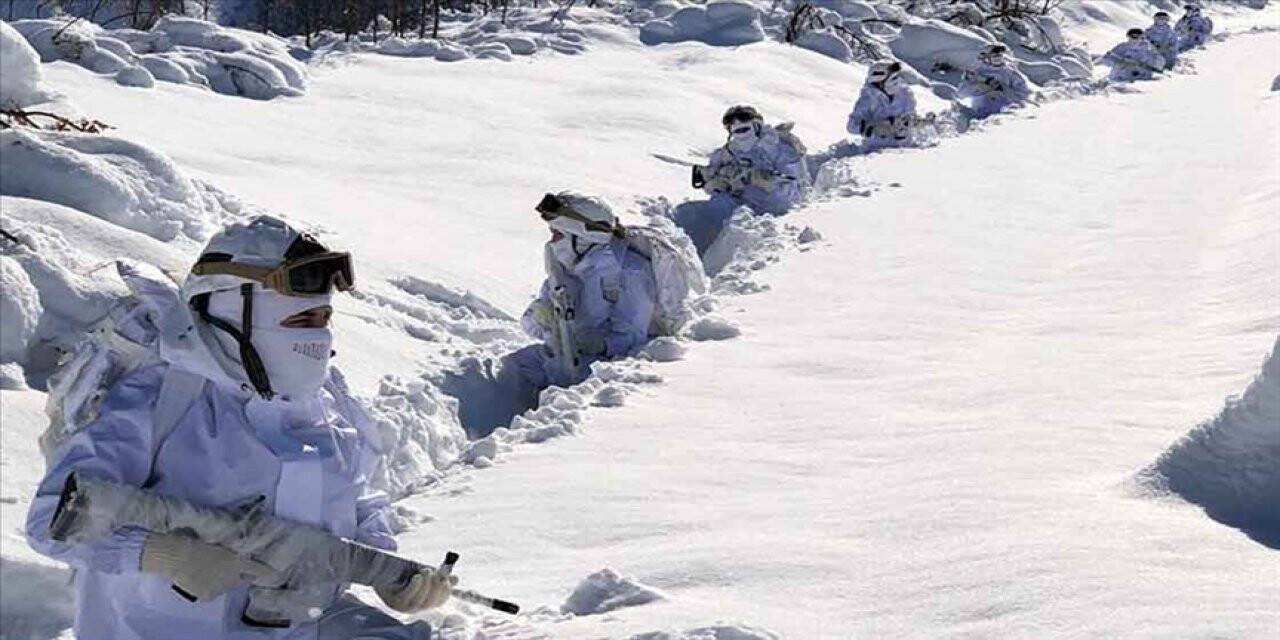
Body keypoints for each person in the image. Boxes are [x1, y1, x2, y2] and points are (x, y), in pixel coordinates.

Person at [25, 215, 451, 640]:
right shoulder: (158, 396)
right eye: (301, 322)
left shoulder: (327, 398)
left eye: (323, 318)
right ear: (233, 311)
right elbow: (50, 520)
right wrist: (161, 554)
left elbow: (359, 498)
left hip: (305, 625)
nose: (318, 337)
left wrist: (385, 570)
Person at [517, 192, 656, 388]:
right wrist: (539, 316)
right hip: (562, 364)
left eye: (558, 234)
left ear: (583, 237)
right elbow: (538, 329)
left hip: (606, 374)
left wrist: (600, 344)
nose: (553, 242)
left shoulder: (631, 272)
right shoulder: (564, 271)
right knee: (513, 370)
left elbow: (634, 337)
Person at [673, 105, 809, 254]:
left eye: (745, 129)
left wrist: (766, 182)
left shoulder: (780, 150)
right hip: (738, 208)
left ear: (756, 126)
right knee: (709, 207)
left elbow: (796, 191)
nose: (741, 135)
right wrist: (717, 183)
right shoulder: (727, 153)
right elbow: (710, 179)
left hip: (773, 214)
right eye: (736, 131)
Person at [847, 60, 918, 149]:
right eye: (893, 78)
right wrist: (876, 128)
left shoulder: (905, 93)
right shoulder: (868, 98)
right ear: (880, 79)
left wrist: (915, 123)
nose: (896, 81)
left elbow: (911, 116)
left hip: (905, 150)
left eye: (897, 76)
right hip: (876, 152)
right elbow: (851, 126)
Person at [958, 44, 1032, 119]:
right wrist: (978, 87)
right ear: (987, 58)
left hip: (1003, 114)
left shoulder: (1009, 73)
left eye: (999, 56)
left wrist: (1003, 90)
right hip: (980, 112)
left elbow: (1023, 93)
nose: (997, 59)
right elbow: (961, 93)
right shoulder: (977, 73)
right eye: (994, 56)